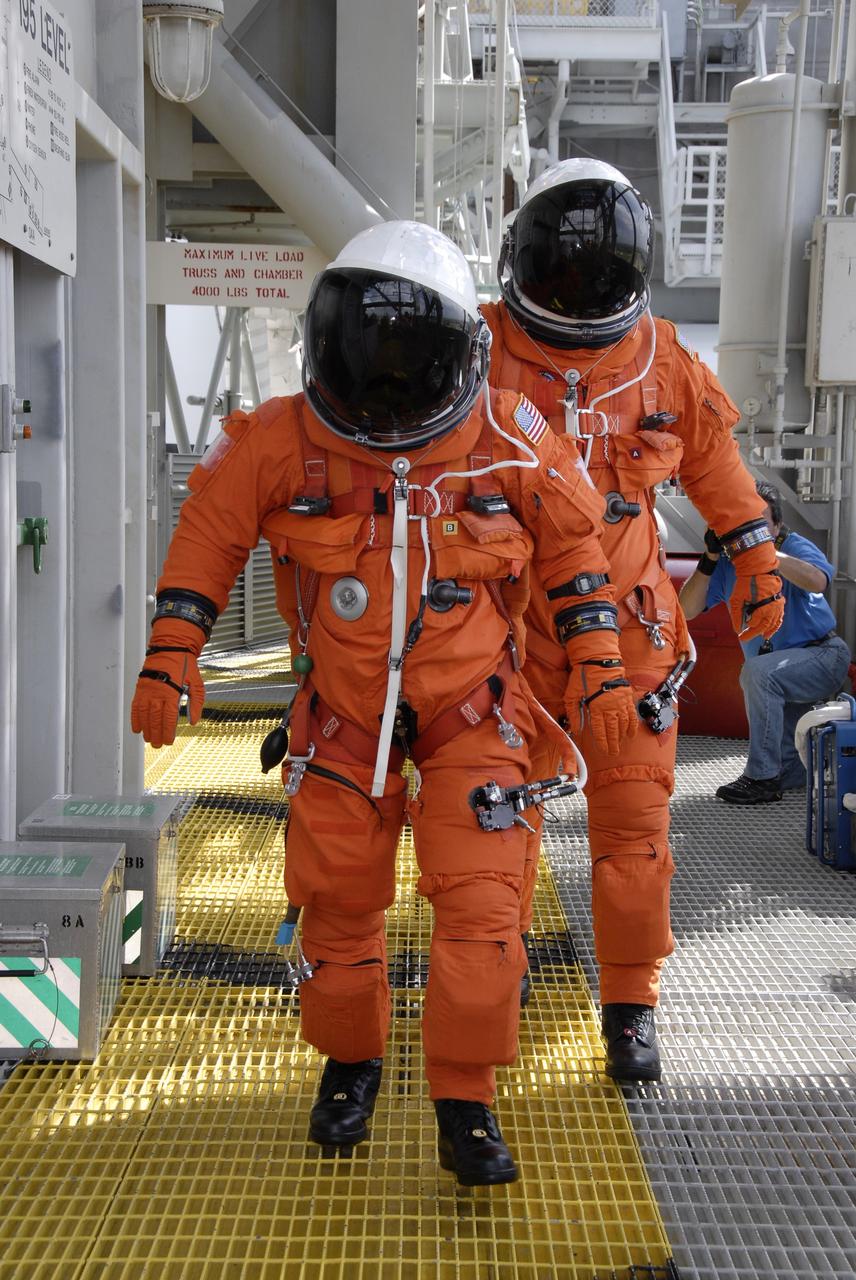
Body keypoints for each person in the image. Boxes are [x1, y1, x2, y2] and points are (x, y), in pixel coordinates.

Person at [130, 221, 638, 1187]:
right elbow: (211, 528)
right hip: (342, 716)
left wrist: (602, 664)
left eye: (414, 363)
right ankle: (349, 1066)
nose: (390, 386)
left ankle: (466, 1101)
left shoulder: (507, 436)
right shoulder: (286, 438)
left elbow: (576, 548)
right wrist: (171, 649)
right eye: (371, 358)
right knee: (337, 904)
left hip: (474, 715)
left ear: (463, 356)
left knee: (486, 913)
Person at [481, 157, 785, 1083]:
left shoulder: (664, 363)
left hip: (638, 636)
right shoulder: (477, 350)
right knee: (497, 827)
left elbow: (717, 470)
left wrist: (759, 555)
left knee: (634, 836)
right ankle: (494, 974)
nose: (577, 291)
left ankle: (630, 1003)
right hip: (509, 634)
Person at [680, 479, 851, 803]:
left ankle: (761, 778)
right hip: (778, 672)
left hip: (822, 657)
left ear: (777, 526)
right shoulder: (728, 564)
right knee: (793, 768)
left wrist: (765, 553)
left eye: (759, 525)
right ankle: (784, 776)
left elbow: (817, 582)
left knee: (759, 672)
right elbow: (687, 610)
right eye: (743, 525)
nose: (748, 533)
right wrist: (710, 557)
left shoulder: (794, 545)